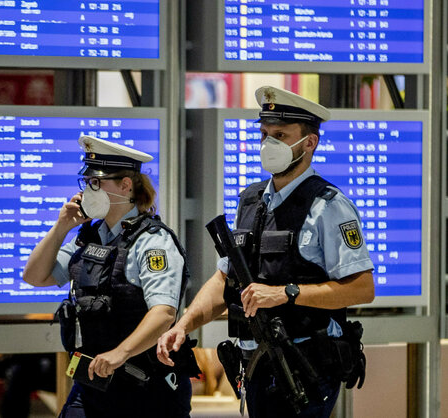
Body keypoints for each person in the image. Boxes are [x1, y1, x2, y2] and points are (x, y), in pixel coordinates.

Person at [156, 86, 375, 418]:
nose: (269, 144)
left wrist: (286, 293)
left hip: (305, 368)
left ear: (309, 142)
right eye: (265, 134)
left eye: (281, 134)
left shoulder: (329, 206)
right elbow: (223, 280)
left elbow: (362, 288)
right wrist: (183, 325)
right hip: (256, 367)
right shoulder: (251, 200)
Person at [23, 135, 198, 418]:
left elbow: (164, 312)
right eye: (87, 183)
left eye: (97, 183)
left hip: (145, 387)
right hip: (93, 383)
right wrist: (61, 228)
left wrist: (121, 352)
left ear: (125, 186)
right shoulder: (90, 238)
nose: (89, 190)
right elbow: (35, 276)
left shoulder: (153, 242)